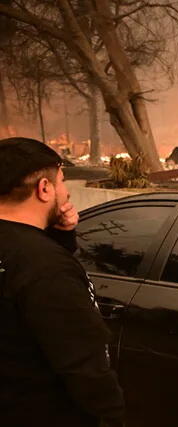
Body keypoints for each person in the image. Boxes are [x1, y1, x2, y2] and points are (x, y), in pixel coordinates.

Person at [0, 137, 124, 427]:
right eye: (63, 181)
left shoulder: (34, 257)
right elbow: (85, 368)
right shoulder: (47, 267)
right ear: (44, 189)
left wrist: (58, 238)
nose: (67, 193)